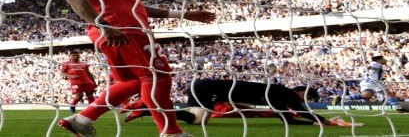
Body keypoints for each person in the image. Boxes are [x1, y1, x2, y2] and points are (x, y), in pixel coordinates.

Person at [55, 0, 216, 137]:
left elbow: (137, 7)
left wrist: (183, 14)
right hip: (119, 29)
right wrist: (104, 25)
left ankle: (82, 119)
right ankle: (171, 133)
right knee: (157, 76)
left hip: (130, 29)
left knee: (133, 81)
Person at [123, 79, 363, 127]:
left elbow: (288, 119)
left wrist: (312, 123)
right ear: (300, 92)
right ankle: (146, 110)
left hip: (207, 86)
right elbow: (295, 114)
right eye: (307, 97)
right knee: (197, 119)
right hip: (209, 88)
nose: (305, 101)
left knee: (196, 118)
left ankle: (146, 111)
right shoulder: (287, 94)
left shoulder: (279, 94)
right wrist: (323, 122)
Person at [332, 55, 409, 113]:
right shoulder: (376, 64)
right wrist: (371, 67)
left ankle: (341, 98)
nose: (385, 60)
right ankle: (399, 108)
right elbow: (372, 67)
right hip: (374, 82)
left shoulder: (377, 64)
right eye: (383, 59)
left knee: (366, 96)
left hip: (366, 82)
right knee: (390, 94)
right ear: (379, 60)